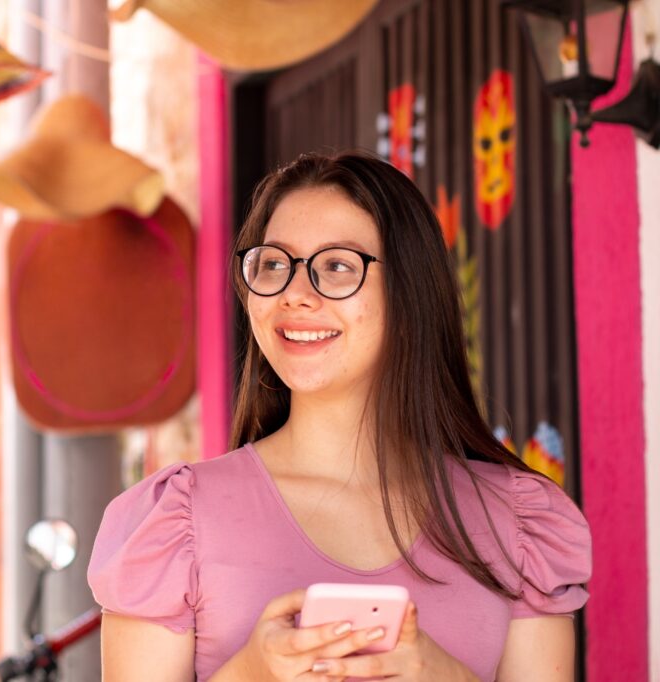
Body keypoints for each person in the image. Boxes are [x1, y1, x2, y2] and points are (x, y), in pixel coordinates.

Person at [87, 151, 591, 681]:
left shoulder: (518, 525)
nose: (295, 296)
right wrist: (251, 674)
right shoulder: (173, 524)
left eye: (338, 266)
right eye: (274, 264)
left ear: (408, 291)